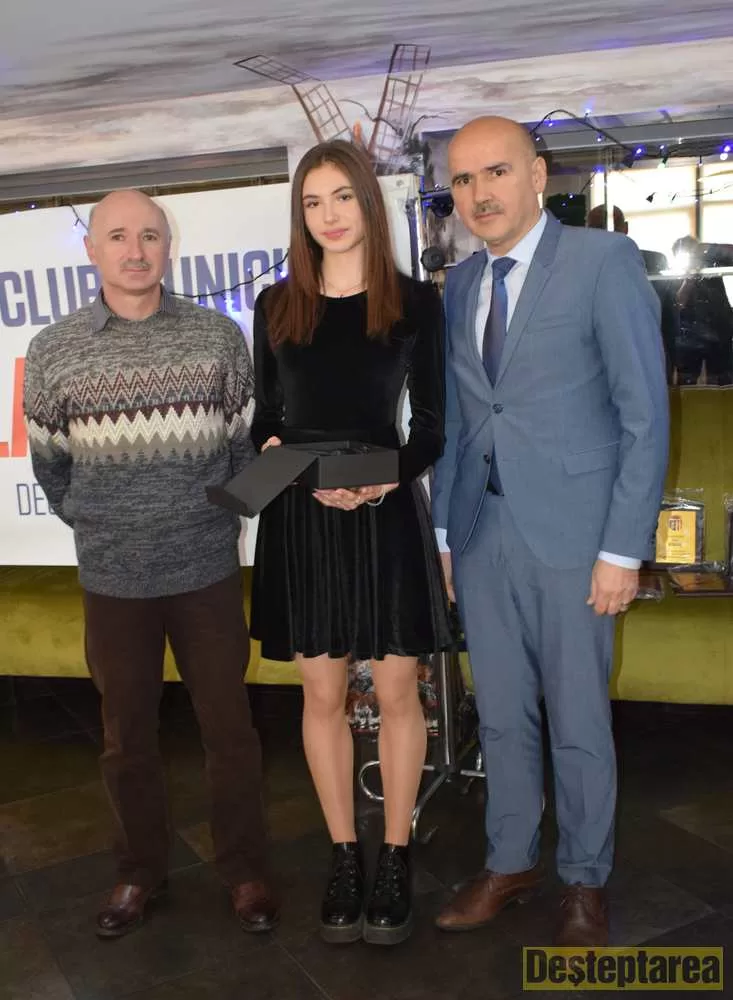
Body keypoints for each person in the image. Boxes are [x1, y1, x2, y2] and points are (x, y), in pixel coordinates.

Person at [432, 117, 669, 946]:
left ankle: (583, 878)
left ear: (536, 175)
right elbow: (461, 419)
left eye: (496, 172)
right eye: (463, 180)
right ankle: (509, 862)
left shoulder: (602, 262)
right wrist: (445, 536)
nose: (479, 194)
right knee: (499, 715)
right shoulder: (459, 284)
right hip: (481, 534)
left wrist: (621, 550)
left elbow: (644, 416)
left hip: (576, 538)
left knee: (577, 720)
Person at [23, 189, 278, 939]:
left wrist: (208, 520)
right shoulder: (54, 350)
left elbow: (242, 451)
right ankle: (137, 872)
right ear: (91, 249)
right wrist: (107, 526)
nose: (135, 251)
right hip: (112, 580)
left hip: (206, 572)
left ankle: (245, 871)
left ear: (168, 246)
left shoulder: (216, 337)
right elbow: (51, 469)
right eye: (118, 237)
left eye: (150, 236)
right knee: (125, 738)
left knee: (230, 730)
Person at [250, 139, 451, 946]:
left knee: (399, 692)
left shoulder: (414, 303)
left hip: (383, 507)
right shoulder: (275, 306)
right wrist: (298, 473)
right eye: (312, 202)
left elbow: (431, 426)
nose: (327, 216)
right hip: (301, 513)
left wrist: (381, 477)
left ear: (367, 201)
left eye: (340, 197)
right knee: (322, 696)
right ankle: (343, 854)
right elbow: (265, 424)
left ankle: (394, 853)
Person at [671, 235, 733, 386]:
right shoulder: (676, 274)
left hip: (718, 334)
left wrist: (710, 248)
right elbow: (679, 302)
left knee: (722, 380)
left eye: (694, 253)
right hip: (689, 338)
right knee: (686, 381)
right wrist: (690, 277)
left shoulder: (711, 265)